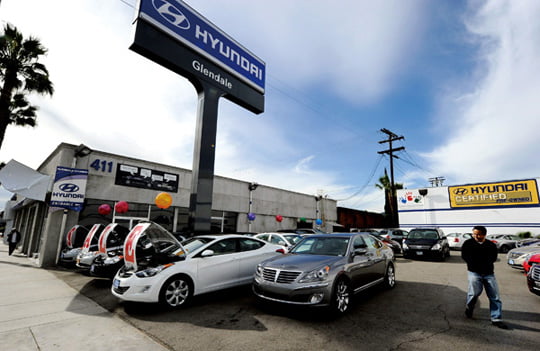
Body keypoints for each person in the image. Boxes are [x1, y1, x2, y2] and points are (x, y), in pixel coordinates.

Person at [461, 225, 508, 329]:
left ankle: (496, 319)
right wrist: (476, 263)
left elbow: (493, 258)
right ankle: (469, 307)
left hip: (488, 273)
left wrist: (482, 262)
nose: (476, 236)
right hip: (474, 272)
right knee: (474, 293)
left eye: (478, 234)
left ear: (484, 234)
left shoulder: (490, 245)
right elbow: (465, 256)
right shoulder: (468, 243)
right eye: (474, 234)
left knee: (495, 297)